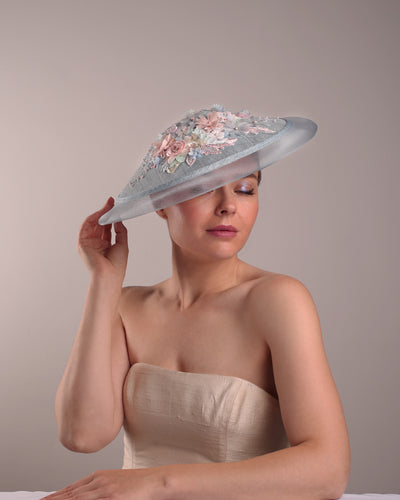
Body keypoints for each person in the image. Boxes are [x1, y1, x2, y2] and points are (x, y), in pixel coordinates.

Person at [43, 106, 350, 500]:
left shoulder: (278, 301)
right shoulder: (127, 307)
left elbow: (328, 471)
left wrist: (157, 482)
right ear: (160, 203)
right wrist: (104, 283)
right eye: (204, 187)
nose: (228, 206)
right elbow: (81, 435)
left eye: (245, 189)